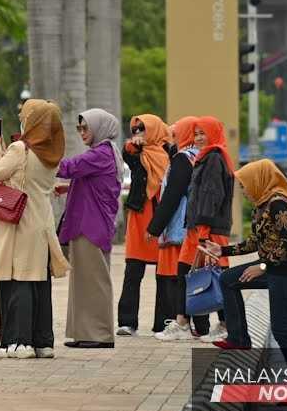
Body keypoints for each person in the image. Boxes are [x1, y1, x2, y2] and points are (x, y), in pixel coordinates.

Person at [202, 159, 287, 375]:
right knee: (228, 279)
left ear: (259, 181)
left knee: (281, 330)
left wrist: (263, 266)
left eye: (245, 185)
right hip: (273, 269)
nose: (244, 191)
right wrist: (223, 251)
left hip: (286, 273)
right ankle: (238, 338)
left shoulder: (278, 203)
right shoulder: (262, 204)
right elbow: (254, 243)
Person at [0, 100, 69, 359]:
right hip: (41, 223)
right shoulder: (52, 153)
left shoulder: (20, 148)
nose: (21, 120)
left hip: (19, 222)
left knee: (18, 280)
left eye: (24, 117)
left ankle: (19, 342)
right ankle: (42, 341)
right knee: (38, 282)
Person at [56, 109, 124, 349]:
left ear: (100, 128)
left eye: (86, 128)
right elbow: (92, 182)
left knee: (94, 281)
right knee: (84, 280)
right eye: (80, 128)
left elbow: (68, 167)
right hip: (88, 224)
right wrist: (68, 188)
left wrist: (41, 156)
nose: (82, 133)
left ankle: (100, 335)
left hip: (91, 226)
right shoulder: (103, 154)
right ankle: (86, 333)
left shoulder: (101, 154)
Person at [181, 116, 234, 342]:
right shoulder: (205, 158)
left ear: (213, 133)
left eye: (203, 133)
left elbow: (211, 196)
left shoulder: (214, 158)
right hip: (199, 228)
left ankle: (225, 324)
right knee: (187, 271)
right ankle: (183, 322)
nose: (199, 138)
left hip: (209, 229)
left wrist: (203, 232)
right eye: (196, 133)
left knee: (218, 276)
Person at [118, 114, 168, 336]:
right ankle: (127, 322)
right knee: (133, 271)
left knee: (164, 274)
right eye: (135, 129)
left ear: (155, 130)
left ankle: (163, 323)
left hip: (163, 218)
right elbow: (126, 154)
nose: (138, 133)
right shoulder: (137, 154)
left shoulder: (170, 153)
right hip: (139, 216)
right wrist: (132, 145)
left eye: (143, 129)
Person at [150, 117, 200, 341]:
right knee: (190, 276)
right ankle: (198, 324)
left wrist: (155, 226)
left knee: (175, 276)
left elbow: (171, 196)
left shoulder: (182, 159)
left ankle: (178, 323)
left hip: (178, 229)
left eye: (175, 134)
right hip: (191, 226)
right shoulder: (196, 156)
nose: (172, 138)